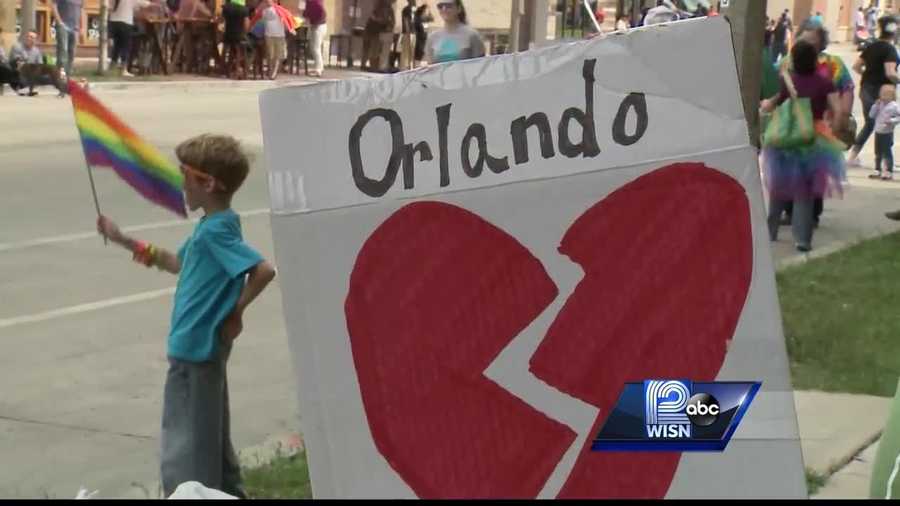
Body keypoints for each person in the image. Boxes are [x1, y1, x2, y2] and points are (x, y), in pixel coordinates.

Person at [95, 134, 277, 499]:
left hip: (196, 350)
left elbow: (263, 270)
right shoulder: (211, 228)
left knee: (186, 450)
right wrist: (124, 240)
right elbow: (177, 263)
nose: (180, 183)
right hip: (196, 350)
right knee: (208, 439)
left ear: (208, 183)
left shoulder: (216, 233)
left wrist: (235, 312)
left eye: (185, 174)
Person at [760, 40, 847, 253]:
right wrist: (835, 130)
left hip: (786, 139)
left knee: (778, 188)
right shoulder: (825, 83)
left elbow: (774, 103)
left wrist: (765, 105)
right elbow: (838, 110)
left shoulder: (789, 81)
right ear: (815, 60)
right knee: (805, 193)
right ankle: (802, 239)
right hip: (813, 139)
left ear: (794, 60)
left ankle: (770, 232)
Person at [773, 21, 855, 229]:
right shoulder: (786, 62)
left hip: (820, 125)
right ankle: (791, 212)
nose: (808, 44)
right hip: (790, 126)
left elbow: (847, 87)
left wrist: (842, 116)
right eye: (804, 39)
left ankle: (811, 214)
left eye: (813, 40)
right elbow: (778, 92)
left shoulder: (832, 63)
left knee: (814, 171)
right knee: (790, 170)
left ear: (821, 43)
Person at [847, 16, 900, 168]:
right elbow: (890, 73)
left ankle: (853, 156)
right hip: (884, 93)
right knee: (886, 124)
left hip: (866, 89)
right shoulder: (890, 50)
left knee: (870, 124)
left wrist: (869, 74)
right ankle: (885, 161)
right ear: (893, 30)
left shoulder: (872, 46)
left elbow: (857, 66)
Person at [425, 0, 484, 64]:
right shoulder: (432, 37)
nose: (444, 9)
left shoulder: (472, 35)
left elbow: (480, 66)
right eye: (440, 6)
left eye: (448, 6)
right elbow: (430, 68)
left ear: (459, 9)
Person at [10, 31, 66, 97]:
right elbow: (15, 61)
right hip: (20, 73)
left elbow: (40, 64)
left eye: (33, 38)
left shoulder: (36, 51)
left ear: (35, 40)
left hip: (33, 74)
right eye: (29, 36)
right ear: (25, 37)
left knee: (52, 73)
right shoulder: (17, 47)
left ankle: (62, 89)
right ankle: (24, 88)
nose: (30, 39)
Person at [109, 0, 154, 77]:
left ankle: (111, 68)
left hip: (113, 22)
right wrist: (154, 4)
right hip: (125, 23)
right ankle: (123, 69)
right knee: (126, 47)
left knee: (117, 46)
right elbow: (142, 3)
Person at [868, 84, 900, 180]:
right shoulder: (879, 104)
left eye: (887, 95)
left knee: (887, 152)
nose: (884, 97)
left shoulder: (894, 106)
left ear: (892, 96)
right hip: (878, 131)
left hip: (887, 132)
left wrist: (891, 121)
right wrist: (875, 106)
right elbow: (871, 115)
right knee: (878, 152)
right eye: (882, 94)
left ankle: (888, 171)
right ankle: (877, 169)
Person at [52, 0, 82, 78]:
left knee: (72, 52)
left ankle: (68, 75)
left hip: (75, 27)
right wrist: (59, 22)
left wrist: (81, 27)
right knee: (63, 50)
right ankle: (61, 75)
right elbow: (54, 6)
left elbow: (81, 10)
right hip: (63, 26)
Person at [362, 0, 395, 71]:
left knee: (374, 50)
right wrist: (385, 22)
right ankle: (371, 66)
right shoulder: (382, 8)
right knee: (373, 50)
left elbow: (390, 20)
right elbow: (377, 19)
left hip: (377, 32)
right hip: (374, 31)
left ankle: (373, 66)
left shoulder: (387, 8)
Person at [222, 0, 249, 79]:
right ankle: (237, 71)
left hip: (228, 32)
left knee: (228, 50)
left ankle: (225, 70)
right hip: (239, 34)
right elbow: (246, 24)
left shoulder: (226, 8)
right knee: (238, 52)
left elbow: (221, 19)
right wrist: (245, 33)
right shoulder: (244, 9)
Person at [260, 0, 285, 79]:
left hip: (279, 35)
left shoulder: (281, 10)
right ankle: (270, 71)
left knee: (277, 55)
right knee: (270, 55)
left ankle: (274, 72)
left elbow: (286, 20)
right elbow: (263, 20)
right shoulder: (265, 11)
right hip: (269, 35)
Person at [303, 0, 327, 77]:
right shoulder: (308, 3)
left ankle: (318, 69)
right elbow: (306, 14)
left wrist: (317, 23)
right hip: (315, 26)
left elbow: (323, 13)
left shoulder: (315, 2)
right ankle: (319, 67)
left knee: (315, 48)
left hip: (319, 26)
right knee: (313, 47)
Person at [413, 2, 433, 67]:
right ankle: (417, 65)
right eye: (425, 12)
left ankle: (418, 64)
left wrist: (429, 11)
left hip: (423, 38)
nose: (425, 13)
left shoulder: (422, 19)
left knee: (421, 53)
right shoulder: (417, 20)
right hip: (420, 39)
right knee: (419, 53)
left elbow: (431, 19)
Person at [400, 0, 416, 71]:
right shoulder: (406, 9)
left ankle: (410, 66)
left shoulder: (414, 10)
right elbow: (406, 20)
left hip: (413, 32)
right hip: (407, 33)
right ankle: (403, 67)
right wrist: (408, 31)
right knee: (406, 51)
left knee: (412, 50)